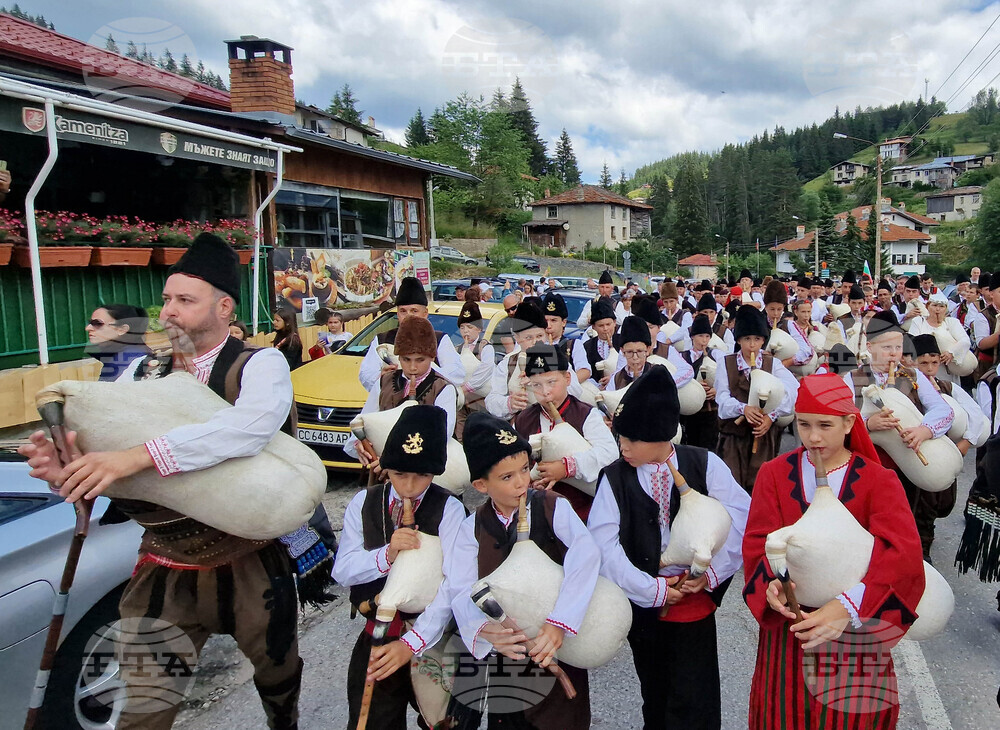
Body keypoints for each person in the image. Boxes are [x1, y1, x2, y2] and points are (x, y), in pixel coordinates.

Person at [19, 233, 314, 729]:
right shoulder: (140, 372)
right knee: (145, 700)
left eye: (184, 300)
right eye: (166, 300)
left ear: (224, 307)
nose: (169, 312)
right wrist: (67, 469)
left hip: (249, 557)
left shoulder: (257, 364)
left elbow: (248, 429)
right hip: (165, 560)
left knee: (277, 675)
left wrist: (138, 455)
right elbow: (109, 461)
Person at [742, 373, 926, 730]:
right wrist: (772, 584)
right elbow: (756, 543)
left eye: (825, 425)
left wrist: (846, 607)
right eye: (804, 424)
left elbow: (900, 556)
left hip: (854, 632)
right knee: (783, 716)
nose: (813, 436)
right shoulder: (774, 474)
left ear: (848, 423)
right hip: (791, 630)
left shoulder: (878, 480)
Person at [588, 365, 750, 730]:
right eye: (620, 438)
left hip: (694, 600)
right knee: (655, 690)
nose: (623, 447)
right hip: (642, 600)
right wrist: (652, 589)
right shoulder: (614, 477)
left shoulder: (704, 463)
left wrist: (709, 574)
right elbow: (603, 544)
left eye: (632, 439)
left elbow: (740, 519)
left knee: (695, 694)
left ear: (662, 436)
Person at [450, 411, 600, 729]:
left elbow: (585, 559)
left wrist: (560, 623)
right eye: (507, 477)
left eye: (523, 469)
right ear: (481, 484)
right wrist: (484, 630)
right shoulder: (472, 528)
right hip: (508, 660)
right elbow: (461, 589)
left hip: (556, 646)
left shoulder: (552, 506)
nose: (521, 482)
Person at [332, 405, 466, 730]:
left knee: (446, 724)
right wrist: (387, 555)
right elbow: (343, 571)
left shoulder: (450, 509)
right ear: (386, 468)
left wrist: (411, 643)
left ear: (435, 473)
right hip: (377, 637)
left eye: (421, 476)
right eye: (399, 474)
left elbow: (454, 583)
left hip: (436, 638)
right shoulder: (362, 504)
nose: (408, 486)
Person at [842, 311, 955, 560]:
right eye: (886, 347)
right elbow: (841, 422)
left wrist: (924, 430)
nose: (893, 353)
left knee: (916, 512)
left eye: (897, 346)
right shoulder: (853, 378)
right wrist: (868, 423)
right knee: (876, 517)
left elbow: (943, 409)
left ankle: (918, 559)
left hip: (911, 457)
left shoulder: (912, 376)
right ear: (870, 347)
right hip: (873, 462)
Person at [514, 343, 617, 520]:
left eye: (551, 382)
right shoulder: (524, 419)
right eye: (536, 385)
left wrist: (566, 467)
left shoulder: (585, 414)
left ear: (567, 379)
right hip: (539, 512)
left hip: (584, 511)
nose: (545, 392)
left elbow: (609, 454)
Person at [346, 316, 459, 468]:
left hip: (425, 470)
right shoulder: (384, 381)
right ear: (398, 357)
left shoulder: (443, 388)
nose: (412, 367)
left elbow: (441, 435)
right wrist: (360, 444)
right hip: (382, 468)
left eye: (420, 360)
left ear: (432, 357)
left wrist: (394, 460)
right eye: (406, 359)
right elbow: (365, 419)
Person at [715, 305, 798, 493]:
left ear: (763, 340)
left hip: (763, 436)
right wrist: (743, 408)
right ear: (738, 340)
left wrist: (771, 416)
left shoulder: (773, 364)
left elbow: (793, 390)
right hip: (733, 437)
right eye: (746, 339)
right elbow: (722, 398)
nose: (752, 345)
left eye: (757, 339)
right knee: (732, 487)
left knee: (761, 487)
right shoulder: (726, 364)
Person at [359, 277, 465, 391]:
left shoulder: (439, 339)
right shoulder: (382, 339)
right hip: (393, 400)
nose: (408, 316)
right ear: (397, 313)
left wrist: (425, 371)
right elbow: (365, 373)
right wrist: (381, 377)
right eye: (403, 311)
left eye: (414, 311)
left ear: (425, 313)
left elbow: (457, 374)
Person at [485, 300, 549, 418]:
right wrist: (509, 403)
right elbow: (491, 400)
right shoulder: (509, 363)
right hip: (522, 427)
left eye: (540, 336)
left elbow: (575, 391)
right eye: (528, 337)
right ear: (517, 338)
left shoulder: (557, 359)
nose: (535, 342)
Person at [679, 314, 720, 449]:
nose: (704, 340)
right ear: (692, 337)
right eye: (700, 336)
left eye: (707, 336)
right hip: (689, 412)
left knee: (708, 449)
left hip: (710, 410)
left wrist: (716, 390)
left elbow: (725, 379)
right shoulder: (682, 357)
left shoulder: (716, 356)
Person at [84, 304, 152, 381]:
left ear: (122, 329)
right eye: (90, 323)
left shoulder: (130, 362)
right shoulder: (118, 354)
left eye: (98, 323)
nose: (88, 328)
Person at [455, 300, 494, 420]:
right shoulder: (457, 349)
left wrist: (467, 388)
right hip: (462, 400)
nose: (465, 331)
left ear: (479, 329)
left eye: (470, 327)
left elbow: (485, 370)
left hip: (481, 399)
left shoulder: (485, 347)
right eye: (462, 328)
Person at [543, 290, 590, 385]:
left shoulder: (573, 345)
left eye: (553, 320)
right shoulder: (532, 344)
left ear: (563, 322)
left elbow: (584, 371)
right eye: (545, 320)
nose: (548, 325)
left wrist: (563, 385)